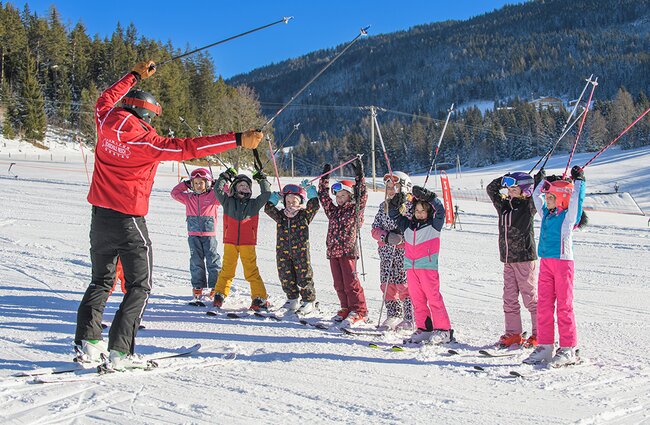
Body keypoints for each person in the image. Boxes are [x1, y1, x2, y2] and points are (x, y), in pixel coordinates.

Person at [75, 60, 263, 370]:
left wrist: (132, 75)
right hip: (129, 221)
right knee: (140, 286)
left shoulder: (104, 118)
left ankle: (87, 341)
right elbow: (188, 147)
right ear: (148, 116)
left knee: (100, 281)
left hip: (99, 218)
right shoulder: (147, 141)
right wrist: (238, 138)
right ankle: (120, 351)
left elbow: (105, 96)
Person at [524, 166, 586, 367]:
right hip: (546, 263)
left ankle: (568, 348)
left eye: (550, 197)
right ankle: (545, 346)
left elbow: (577, 199)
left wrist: (579, 181)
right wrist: (542, 181)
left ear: (560, 198)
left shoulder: (568, 218)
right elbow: (536, 196)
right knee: (543, 305)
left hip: (563, 263)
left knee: (564, 306)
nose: (546, 200)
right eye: (547, 197)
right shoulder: (547, 215)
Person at [388, 185, 453, 345]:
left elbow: (441, 211)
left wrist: (430, 197)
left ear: (428, 212)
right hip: (411, 267)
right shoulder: (408, 226)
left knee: (433, 297)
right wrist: (394, 203)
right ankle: (424, 328)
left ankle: (444, 330)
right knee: (417, 299)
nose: (419, 213)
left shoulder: (434, 225)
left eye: (423, 210)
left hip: (427, 267)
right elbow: (394, 215)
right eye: (417, 210)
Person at [486, 172, 538, 348]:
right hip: (508, 259)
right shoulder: (503, 205)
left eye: (514, 188)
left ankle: (540, 334)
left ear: (525, 191)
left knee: (530, 298)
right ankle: (513, 334)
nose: (509, 191)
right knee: (509, 298)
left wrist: (537, 180)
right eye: (508, 187)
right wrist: (504, 179)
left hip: (524, 258)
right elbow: (491, 189)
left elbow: (538, 194)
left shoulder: (529, 207)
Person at [210, 169, 272, 312]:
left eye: (247, 186)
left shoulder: (254, 204)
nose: (244, 187)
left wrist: (262, 180)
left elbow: (266, 194)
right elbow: (217, 190)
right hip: (230, 241)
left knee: (251, 271)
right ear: (234, 188)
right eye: (241, 185)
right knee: (227, 269)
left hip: (247, 243)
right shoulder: (227, 201)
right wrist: (224, 177)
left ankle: (259, 297)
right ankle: (219, 293)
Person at [318, 157, 369, 326]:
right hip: (333, 252)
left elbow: (362, 195)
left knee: (351, 283)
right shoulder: (333, 211)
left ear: (350, 195)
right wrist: (324, 179)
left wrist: (359, 176)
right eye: (337, 196)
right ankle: (345, 307)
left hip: (348, 252)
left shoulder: (355, 210)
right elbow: (324, 198)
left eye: (343, 195)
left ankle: (359, 310)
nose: (339, 199)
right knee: (338, 284)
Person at [264, 180, 320, 315]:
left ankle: (308, 301)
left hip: (300, 252)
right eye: (287, 201)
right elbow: (268, 209)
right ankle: (292, 299)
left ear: (300, 201)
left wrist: (312, 192)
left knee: (304, 276)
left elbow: (314, 206)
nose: (290, 204)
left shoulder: (304, 215)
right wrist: (273, 199)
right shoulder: (281, 216)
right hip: (283, 251)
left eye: (293, 201)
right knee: (285, 276)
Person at [171, 167, 222, 306]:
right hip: (193, 235)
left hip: (209, 235)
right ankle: (198, 286)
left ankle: (215, 286)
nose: (199, 186)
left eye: (201, 183)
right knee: (196, 261)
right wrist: (185, 184)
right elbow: (174, 193)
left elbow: (227, 192)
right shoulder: (188, 198)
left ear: (208, 183)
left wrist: (218, 184)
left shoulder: (213, 196)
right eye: (195, 183)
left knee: (212, 260)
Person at [370, 172, 414, 331]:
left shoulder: (410, 207)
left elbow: (414, 229)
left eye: (394, 188)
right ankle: (393, 314)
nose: (390, 190)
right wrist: (386, 236)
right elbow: (374, 229)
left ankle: (410, 316)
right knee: (387, 284)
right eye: (388, 187)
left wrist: (402, 237)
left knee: (404, 284)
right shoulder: (384, 206)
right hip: (386, 252)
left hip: (403, 253)